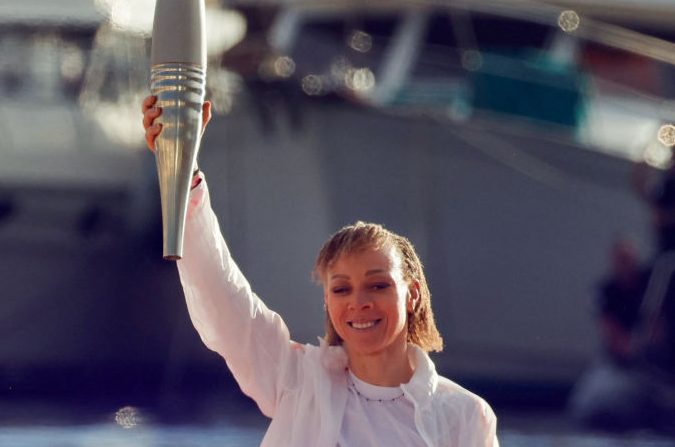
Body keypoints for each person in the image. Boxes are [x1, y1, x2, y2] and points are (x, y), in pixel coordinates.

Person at [142, 95, 499, 446]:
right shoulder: (297, 380)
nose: (359, 302)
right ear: (327, 301)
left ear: (413, 294)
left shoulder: (464, 416)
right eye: (342, 289)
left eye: (377, 286)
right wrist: (182, 171)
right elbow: (225, 302)